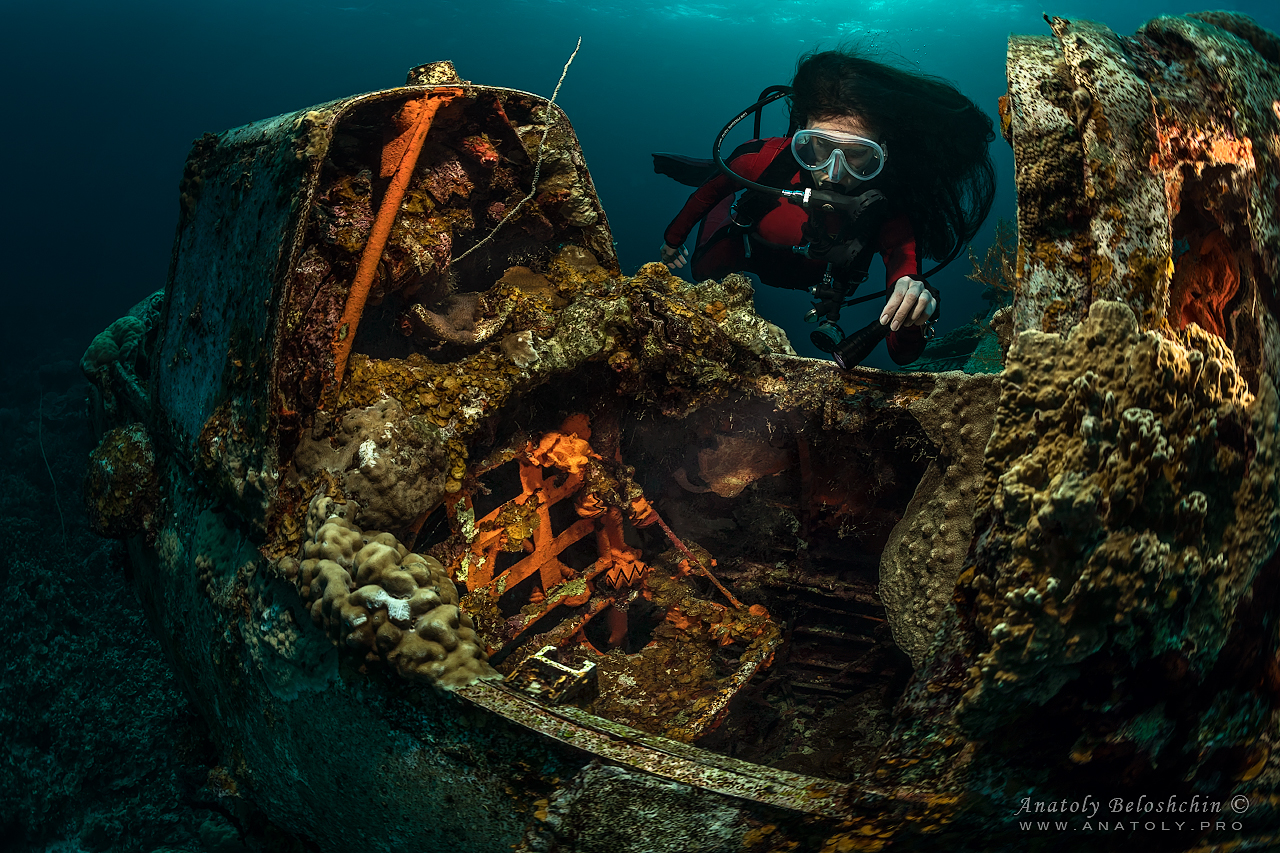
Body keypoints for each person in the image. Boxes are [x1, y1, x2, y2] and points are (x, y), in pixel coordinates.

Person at [656, 48, 995, 366]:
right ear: (800, 135)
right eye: (818, 146)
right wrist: (673, 240)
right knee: (702, 270)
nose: (833, 173)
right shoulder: (761, 160)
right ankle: (709, 168)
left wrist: (914, 311)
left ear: (883, 154)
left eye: (856, 153)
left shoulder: (889, 215)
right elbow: (705, 197)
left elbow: (901, 355)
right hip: (745, 248)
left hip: (811, 276)